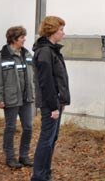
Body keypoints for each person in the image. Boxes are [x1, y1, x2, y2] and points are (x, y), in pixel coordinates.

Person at [31, 16, 71, 181]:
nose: (63, 33)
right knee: (46, 140)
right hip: (51, 104)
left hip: (56, 102)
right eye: (61, 29)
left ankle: (45, 173)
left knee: (51, 139)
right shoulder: (45, 52)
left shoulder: (51, 50)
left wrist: (60, 101)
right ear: (52, 31)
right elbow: (46, 82)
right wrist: (54, 106)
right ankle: (39, 176)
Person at [0, 26, 35, 169]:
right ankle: (10, 157)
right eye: (22, 37)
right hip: (11, 98)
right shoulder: (1, 57)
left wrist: (34, 92)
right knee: (10, 128)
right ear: (14, 39)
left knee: (29, 127)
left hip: (26, 98)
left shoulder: (27, 55)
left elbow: (32, 76)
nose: (24, 39)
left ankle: (24, 156)